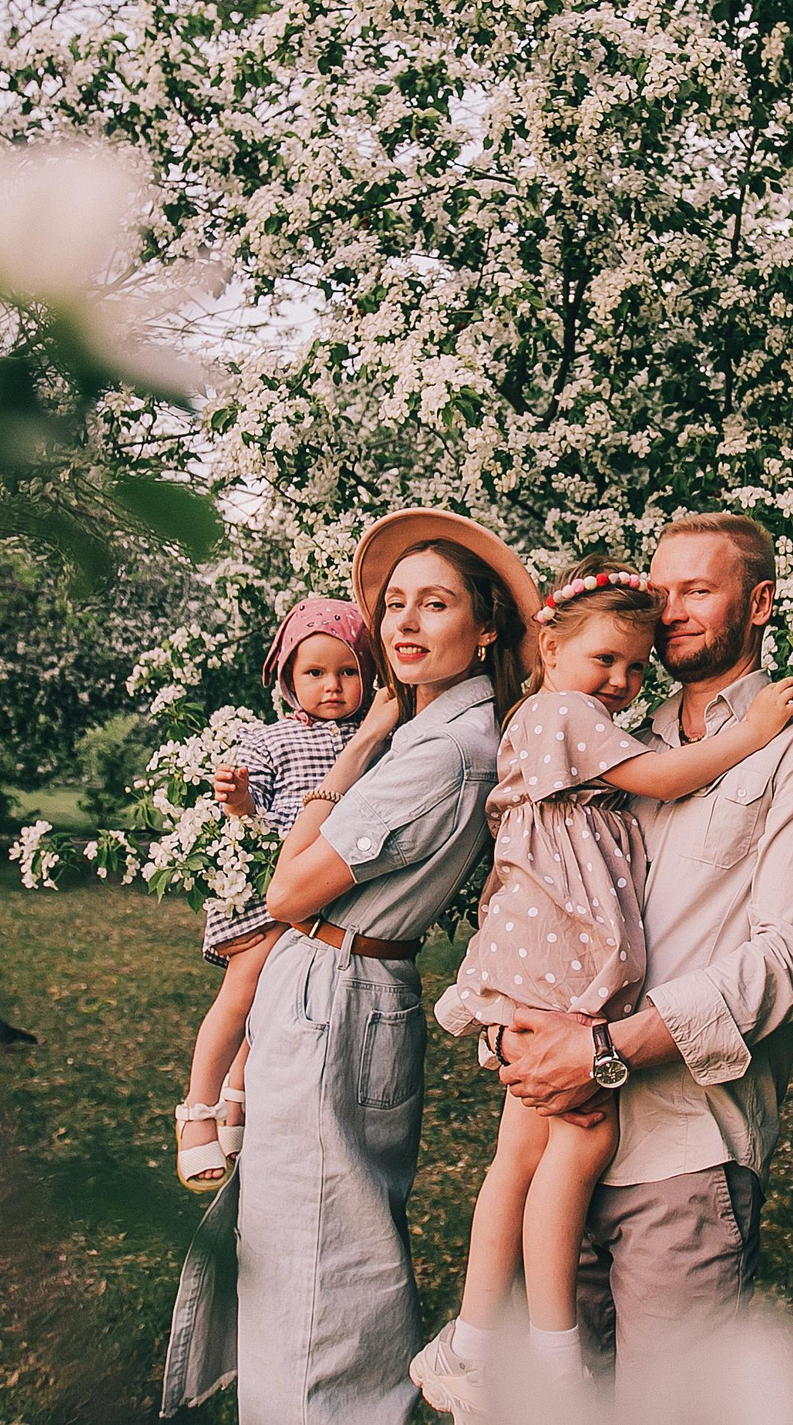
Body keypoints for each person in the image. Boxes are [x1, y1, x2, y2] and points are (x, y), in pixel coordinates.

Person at [407, 556, 793, 1414]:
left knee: (523, 1154)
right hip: (553, 961)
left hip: (545, 959)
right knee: (574, 1143)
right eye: (605, 662)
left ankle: (479, 1339)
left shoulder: (562, 713)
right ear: (549, 648)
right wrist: (754, 730)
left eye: (635, 666)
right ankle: (538, 1347)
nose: (622, 681)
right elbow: (662, 779)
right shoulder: (565, 713)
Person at [492, 513, 793, 1393]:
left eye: (699, 591)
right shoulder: (607, 731)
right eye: (661, 592)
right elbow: (535, 887)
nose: (670, 612)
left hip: (682, 1153)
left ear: (761, 603)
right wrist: (512, 1029)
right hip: (559, 1138)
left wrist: (605, 1052)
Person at [227, 509, 542, 1425]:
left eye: (434, 604)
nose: (402, 623)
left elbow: (287, 891)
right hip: (349, 985)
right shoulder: (440, 732)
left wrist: (358, 744)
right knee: (322, 1242)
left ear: (485, 629)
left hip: (338, 988)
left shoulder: (438, 752)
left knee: (320, 1263)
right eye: (394, 604)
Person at [169, 597, 373, 1192]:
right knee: (242, 993)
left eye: (348, 671)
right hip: (265, 888)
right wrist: (235, 798)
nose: (332, 686)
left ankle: (237, 1102)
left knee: (268, 1005)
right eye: (314, 673)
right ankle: (198, 1112)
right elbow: (251, 807)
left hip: (323, 893)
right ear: (287, 677)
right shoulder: (272, 740)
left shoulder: (373, 739)